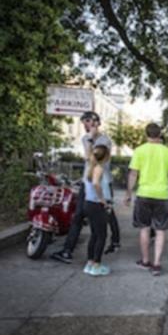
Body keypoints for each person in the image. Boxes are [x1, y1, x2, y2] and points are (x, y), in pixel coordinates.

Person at [51, 111, 120, 263]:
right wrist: (89, 138)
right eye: (83, 122)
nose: (84, 125)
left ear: (95, 122)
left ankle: (112, 243)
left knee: (107, 214)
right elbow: (88, 159)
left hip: (102, 183)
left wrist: (91, 138)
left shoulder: (104, 140)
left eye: (87, 122)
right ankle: (68, 251)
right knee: (78, 216)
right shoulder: (85, 138)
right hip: (88, 183)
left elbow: (92, 158)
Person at [124, 123, 168, 276]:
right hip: (162, 195)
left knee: (144, 229)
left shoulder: (139, 151)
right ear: (160, 134)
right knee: (161, 231)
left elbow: (133, 174)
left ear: (146, 134)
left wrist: (128, 193)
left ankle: (145, 261)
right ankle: (157, 264)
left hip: (144, 194)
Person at [83, 144, 112, 276]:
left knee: (94, 235)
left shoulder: (91, 167)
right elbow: (95, 183)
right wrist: (102, 199)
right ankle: (96, 265)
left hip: (89, 203)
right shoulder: (99, 168)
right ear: (106, 156)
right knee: (102, 235)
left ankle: (89, 263)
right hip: (96, 204)